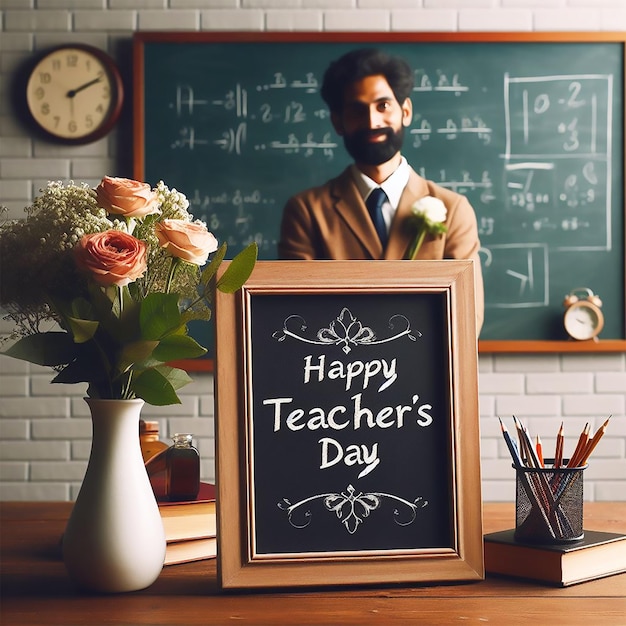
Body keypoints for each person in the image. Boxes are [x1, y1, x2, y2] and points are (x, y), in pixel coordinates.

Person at [278, 48, 484, 332]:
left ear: (406, 111)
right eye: (357, 110)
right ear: (338, 122)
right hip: (337, 371)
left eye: (383, 105)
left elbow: (466, 317)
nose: (372, 121)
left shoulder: (453, 209)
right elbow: (297, 313)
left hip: (427, 372)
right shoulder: (306, 211)